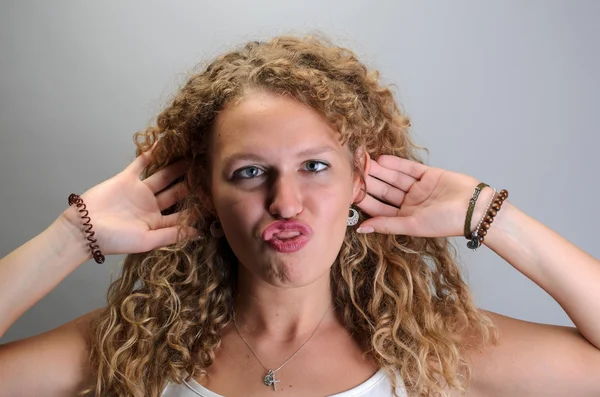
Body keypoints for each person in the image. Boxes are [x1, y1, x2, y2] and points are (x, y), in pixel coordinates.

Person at [0, 34, 599, 397]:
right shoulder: (128, 347)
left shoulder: (439, 349)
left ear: (360, 177)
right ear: (205, 192)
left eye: (314, 166)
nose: (285, 202)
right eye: (249, 172)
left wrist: (489, 216)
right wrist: (70, 237)